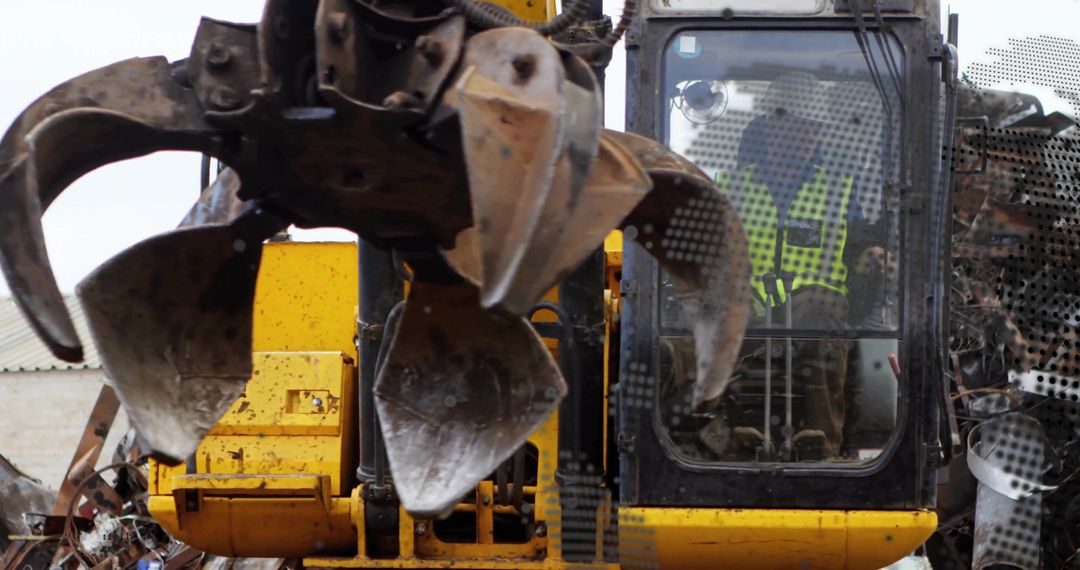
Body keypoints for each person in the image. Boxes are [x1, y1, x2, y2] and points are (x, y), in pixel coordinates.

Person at [713, 71, 885, 460]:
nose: (804, 136)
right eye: (792, 125)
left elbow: (859, 250)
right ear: (769, 127)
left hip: (815, 309)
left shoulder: (839, 190)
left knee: (820, 313)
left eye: (811, 128)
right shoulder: (731, 186)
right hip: (746, 306)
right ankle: (724, 436)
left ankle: (819, 444)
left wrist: (873, 257)